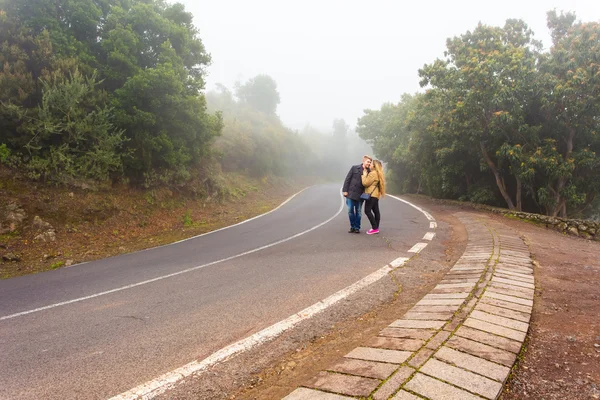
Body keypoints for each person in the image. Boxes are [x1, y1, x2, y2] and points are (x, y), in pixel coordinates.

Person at [342, 155, 372, 233]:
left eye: (370, 162)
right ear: (363, 161)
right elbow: (347, 179)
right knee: (350, 210)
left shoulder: (370, 171)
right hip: (351, 193)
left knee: (358, 211)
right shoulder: (354, 168)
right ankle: (352, 226)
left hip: (360, 195)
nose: (369, 163)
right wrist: (345, 190)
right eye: (368, 162)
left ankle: (357, 227)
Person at [361, 159, 386, 235]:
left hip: (370, 195)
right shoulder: (378, 173)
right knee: (376, 211)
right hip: (375, 195)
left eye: (371, 164)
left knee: (367, 211)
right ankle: (376, 228)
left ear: (374, 166)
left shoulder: (373, 173)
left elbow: (365, 183)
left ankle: (374, 228)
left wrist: (364, 175)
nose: (370, 165)